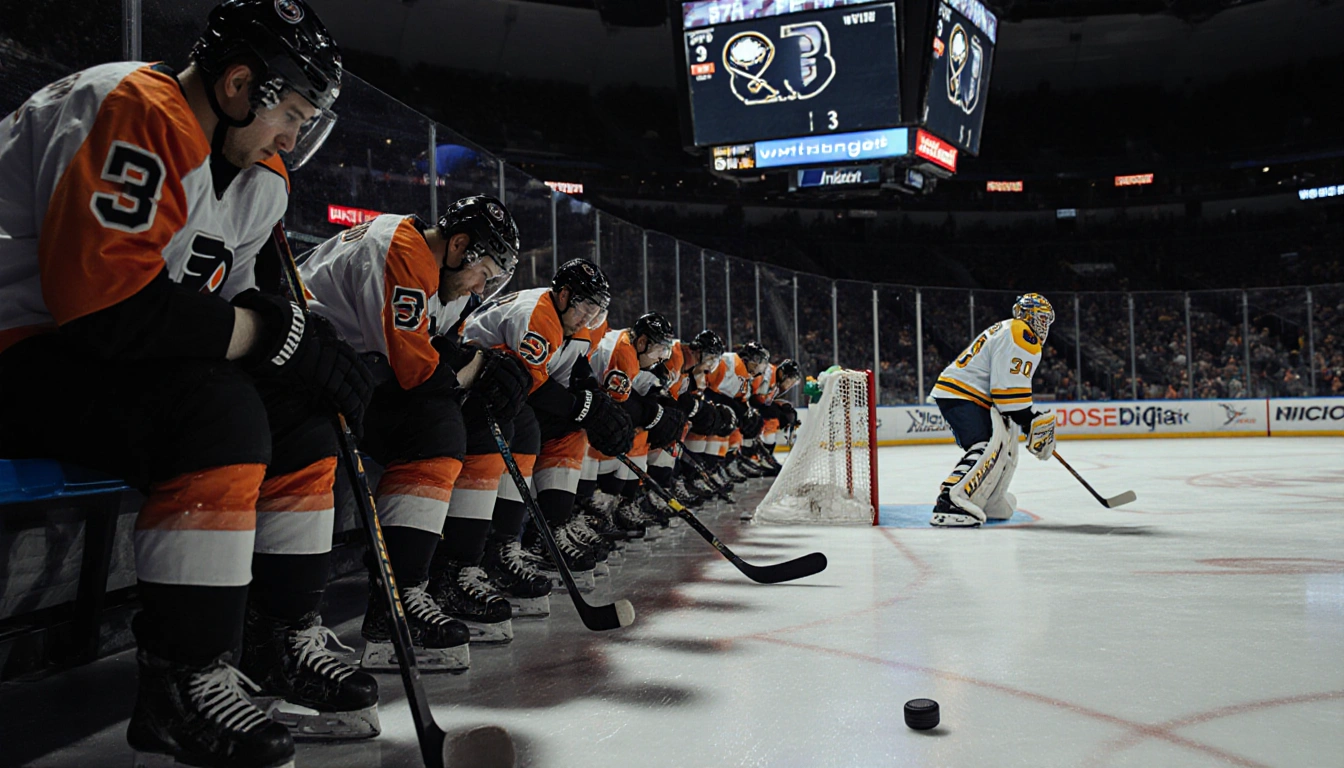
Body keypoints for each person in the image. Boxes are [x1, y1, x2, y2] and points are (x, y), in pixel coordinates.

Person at [0, 0, 381, 763]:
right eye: (293, 116)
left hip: (100, 359)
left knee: (298, 416)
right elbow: (102, 309)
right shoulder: (134, 108)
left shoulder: (257, 177)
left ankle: (279, 638)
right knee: (217, 411)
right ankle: (185, 680)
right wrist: (274, 336)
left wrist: (298, 347)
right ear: (240, 83)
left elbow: (219, 313)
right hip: (22, 350)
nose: (292, 139)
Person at [297, 195, 531, 663]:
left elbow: (431, 352)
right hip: (303, 377)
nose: (480, 286)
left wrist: (476, 367)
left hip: (352, 378)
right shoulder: (402, 250)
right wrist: (479, 366)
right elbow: (416, 373)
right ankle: (395, 604)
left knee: (491, 422)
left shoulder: (443, 277)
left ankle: (455, 574)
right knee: (435, 424)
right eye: (482, 271)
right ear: (459, 245)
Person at [455, 259, 633, 594]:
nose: (587, 320)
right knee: (525, 429)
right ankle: (502, 547)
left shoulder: (578, 328)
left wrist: (593, 401)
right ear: (563, 295)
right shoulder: (539, 315)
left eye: (595, 313)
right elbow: (533, 386)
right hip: (469, 382)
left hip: (510, 390)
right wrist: (585, 408)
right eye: (583, 309)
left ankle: (550, 531)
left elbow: (562, 378)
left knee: (571, 432)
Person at [928, 293, 1057, 528]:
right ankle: (950, 500)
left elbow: (1008, 399)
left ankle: (990, 499)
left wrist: (1029, 422)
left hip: (968, 393)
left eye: (1046, 321)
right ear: (1026, 314)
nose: (1043, 326)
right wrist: (1031, 422)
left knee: (1005, 442)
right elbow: (1008, 395)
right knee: (985, 443)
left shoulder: (1011, 329)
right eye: (1041, 318)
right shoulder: (1021, 333)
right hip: (963, 393)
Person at [579, 313, 687, 544]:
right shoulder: (623, 355)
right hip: (575, 402)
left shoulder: (631, 348)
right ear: (642, 343)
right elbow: (618, 406)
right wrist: (655, 415)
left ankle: (612, 504)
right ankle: (591, 510)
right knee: (615, 430)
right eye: (658, 349)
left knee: (628, 432)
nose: (661, 357)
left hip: (589, 395)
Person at [747, 358, 802, 475]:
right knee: (772, 416)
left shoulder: (775, 381)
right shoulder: (768, 374)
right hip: (745, 405)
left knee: (785, 414)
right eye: (790, 380)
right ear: (783, 374)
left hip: (751, 404)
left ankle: (765, 453)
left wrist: (778, 404)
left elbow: (764, 400)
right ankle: (755, 456)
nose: (789, 385)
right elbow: (755, 397)